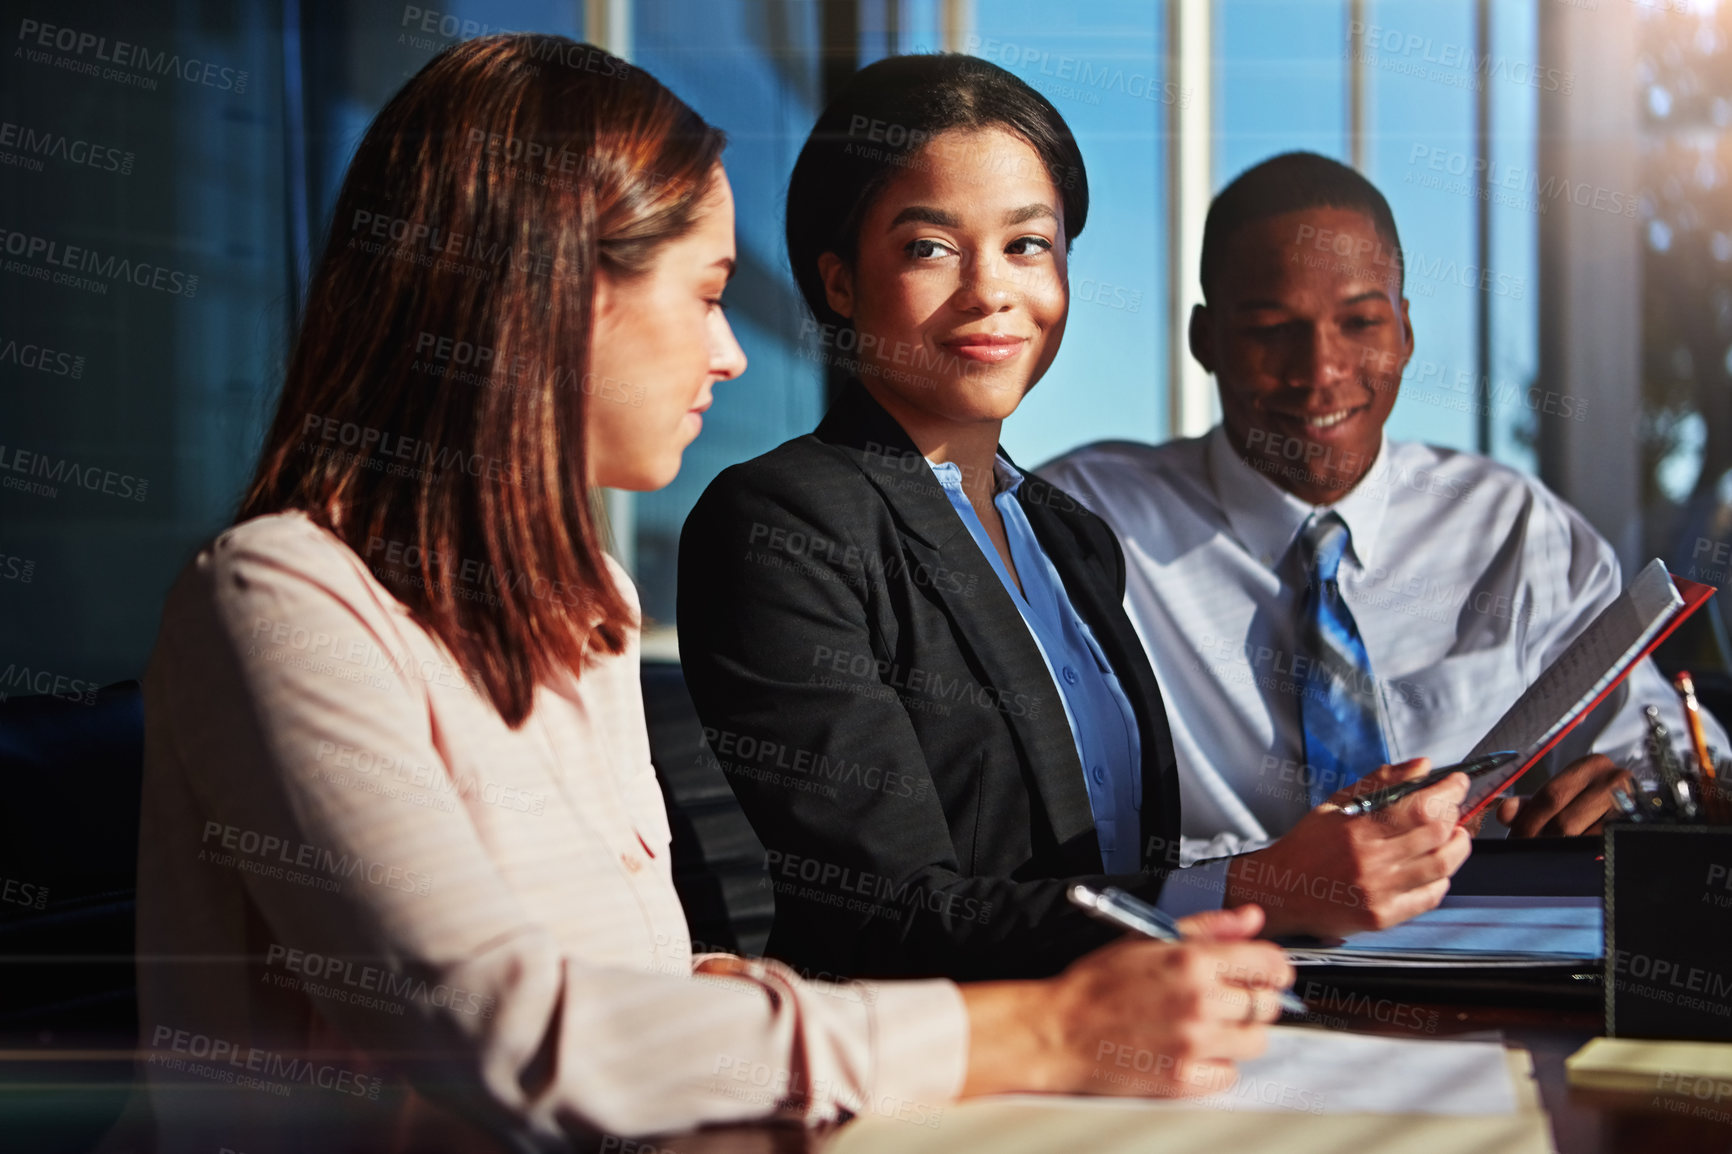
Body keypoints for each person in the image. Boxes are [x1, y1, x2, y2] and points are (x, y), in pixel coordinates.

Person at [124, 35, 1294, 1154]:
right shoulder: (280, 598)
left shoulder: (583, 610)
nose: (732, 355)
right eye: (706, 292)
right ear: (551, 295)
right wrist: (1040, 1025)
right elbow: (504, 1026)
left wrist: (718, 991)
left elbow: (627, 984)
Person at [677, 54, 1470, 988]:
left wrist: (1298, 870)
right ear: (841, 282)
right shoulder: (786, 521)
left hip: (1128, 1041)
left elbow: (1099, 879)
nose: (990, 291)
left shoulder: (1067, 533)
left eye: (1027, 246)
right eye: (930, 247)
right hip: (934, 1081)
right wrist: (1261, 885)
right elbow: (886, 924)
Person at [1040, 150, 1727, 870]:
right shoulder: (1088, 528)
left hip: (1490, 962)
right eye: (1273, 329)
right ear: (1205, 341)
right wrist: (1268, 877)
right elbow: (1036, 828)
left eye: (1362, 323)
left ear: (1405, 334)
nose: (1321, 372)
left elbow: (1671, 757)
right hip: (1205, 951)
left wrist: (1635, 797)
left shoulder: (1513, 528)